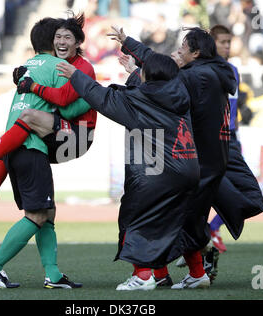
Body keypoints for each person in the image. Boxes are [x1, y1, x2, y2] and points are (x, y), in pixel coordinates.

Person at [56, 52, 200, 291]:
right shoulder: (180, 92)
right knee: (180, 221)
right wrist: (135, 72)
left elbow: (102, 98)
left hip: (157, 172)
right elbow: (152, 91)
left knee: (133, 219)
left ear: (148, 76)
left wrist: (76, 76)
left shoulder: (138, 99)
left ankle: (143, 277)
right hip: (189, 166)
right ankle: (195, 273)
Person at [107, 26, 236, 289]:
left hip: (191, 161)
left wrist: (134, 76)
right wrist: (128, 42)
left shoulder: (196, 77)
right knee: (185, 219)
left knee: (158, 216)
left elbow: (159, 91)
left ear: (196, 53)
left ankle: (150, 274)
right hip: (208, 161)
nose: (176, 53)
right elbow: (160, 66)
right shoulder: (213, 72)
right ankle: (186, 271)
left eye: (181, 49)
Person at [0, 17, 83, 289]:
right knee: (37, 216)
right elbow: (68, 103)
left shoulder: (26, 66)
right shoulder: (58, 67)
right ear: (53, 39)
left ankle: (53, 275)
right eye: (60, 37)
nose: (63, 42)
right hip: (32, 147)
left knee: (47, 212)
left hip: (13, 147)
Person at [0, 12, 97, 219]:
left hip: (79, 136)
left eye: (67, 37)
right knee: (12, 145)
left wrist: (32, 85)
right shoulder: (55, 64)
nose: (61, 42)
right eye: (58, 37)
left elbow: (64, 103)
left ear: (78, 42)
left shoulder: (82, 67)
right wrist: (26, 79)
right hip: (58, 131)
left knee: (28, 118)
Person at [209, 25, 263, 252]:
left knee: (240, 192)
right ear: (210, 43)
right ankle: (200, 237)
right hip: (213, 139)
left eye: (228, 42)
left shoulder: (232, 69)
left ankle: (209, 229)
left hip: (231, 137)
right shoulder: (203, 71)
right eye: (222, 42)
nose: (226, 46)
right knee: (207, 189)